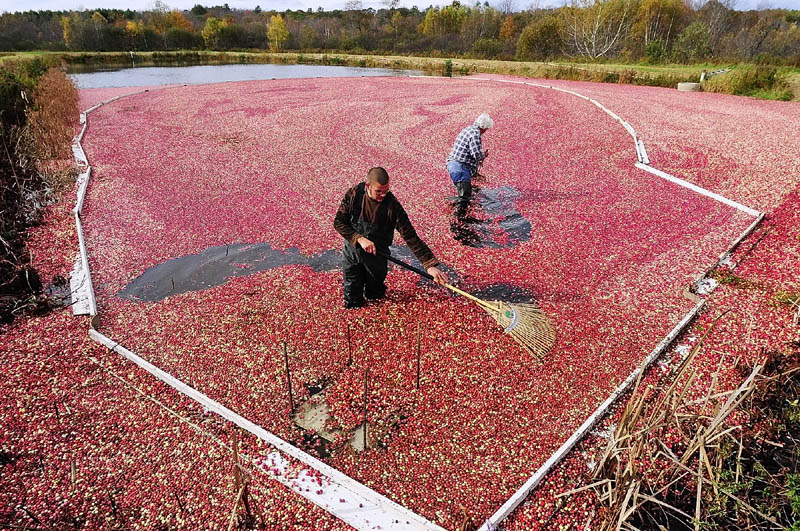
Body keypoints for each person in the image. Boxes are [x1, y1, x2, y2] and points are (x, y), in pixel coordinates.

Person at [334, 167, 448, 309]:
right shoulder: (354, 195)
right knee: (352, 297)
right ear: (368, 186)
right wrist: (359, 238)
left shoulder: (392, 205)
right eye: (379, 191)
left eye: (386, 191)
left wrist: (429, 265)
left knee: (375, 294)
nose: (383, 195)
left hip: (377, 255)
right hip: (353, 252)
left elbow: (410, 236)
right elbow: (338, 222)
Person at [446, 113, 494, 206]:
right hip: (459, 167)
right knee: (465, 196)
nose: (486, 131)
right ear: (484, 128)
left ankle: (458, 210)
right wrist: (484, 155)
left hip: (454, 164)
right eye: (487, 129)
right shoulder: (475, 135)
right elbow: (476, 154)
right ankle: (460, 217)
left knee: (466, 192)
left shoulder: (468, 129)